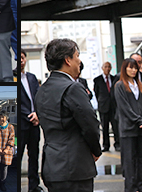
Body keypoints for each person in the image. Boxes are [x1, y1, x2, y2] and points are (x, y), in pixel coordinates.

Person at [35, 38, 101, 192]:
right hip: (75, 167)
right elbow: (90, 124)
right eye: (77, 56)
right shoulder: (73, 88)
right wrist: (96, 150)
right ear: (68, 60)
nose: (79, 61)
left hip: (52, 166)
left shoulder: (42, 90)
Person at [114, 58, 142, 192]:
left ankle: (141, 186)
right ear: (124, 69)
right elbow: (124, 108)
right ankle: (130, 188)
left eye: (135, 68)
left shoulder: (139, 84)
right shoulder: (120, 85)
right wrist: (139, 120)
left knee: (141, 159)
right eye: (130, 68)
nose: (133, 70)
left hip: (141, 129)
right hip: (128, 129)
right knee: (129, 161)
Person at [19, 49, 43, 192]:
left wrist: (37, 114)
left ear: (25, 60)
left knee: (34, 156)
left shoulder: (32, 78)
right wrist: (30, 115)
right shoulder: (11, 78)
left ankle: (33, 186)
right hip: (22, 124)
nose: (21, 60)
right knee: (19, 156)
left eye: (23, 58)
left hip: (35, 125)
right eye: (19, 58)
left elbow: (38, 98)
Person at [93, 61, 119, 152]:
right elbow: (96, 93)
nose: (107, 68)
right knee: (105, 127)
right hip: (103, 107)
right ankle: (106, 145)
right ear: (102, 68)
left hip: (113, 106)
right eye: (106, 67)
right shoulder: (97, 80)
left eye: (109, 67)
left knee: (115, 126)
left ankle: (117, 144)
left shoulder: (114, 78)